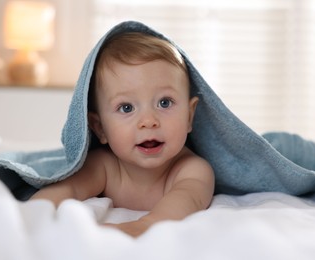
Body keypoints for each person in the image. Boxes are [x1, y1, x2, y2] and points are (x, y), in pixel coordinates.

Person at [30, 32, 215, 237]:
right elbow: (66, 190)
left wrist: (146, 225)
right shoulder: (104, 166)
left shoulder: (192, 171)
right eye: (126, 107)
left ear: (189, 116)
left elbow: (186, 199)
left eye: (164, 102)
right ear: (100, 128)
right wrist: (31, 215)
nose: (148, 121)